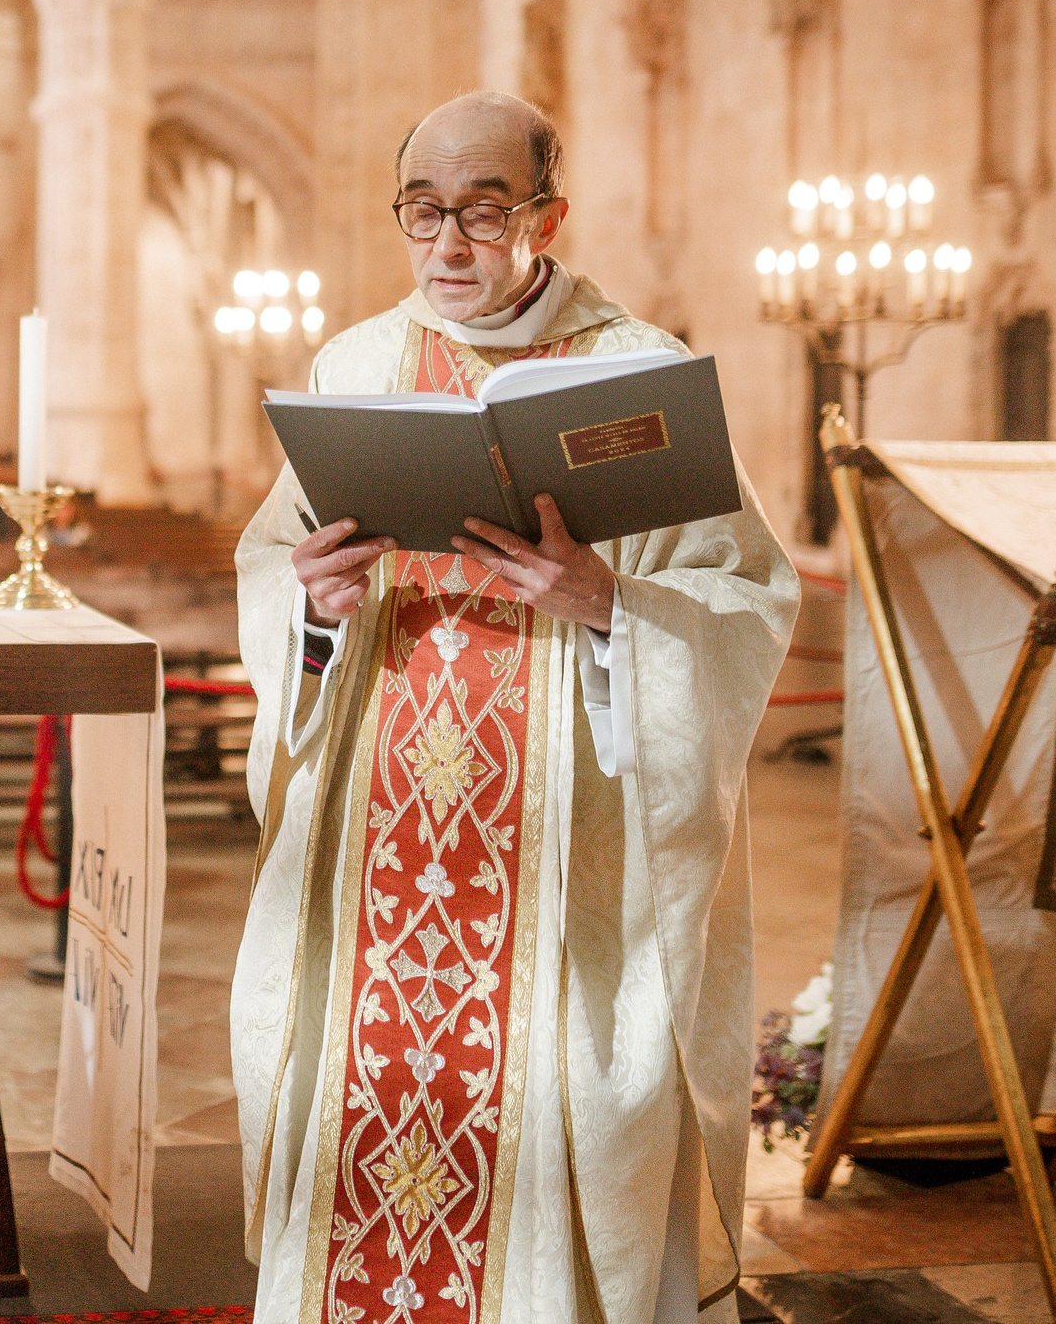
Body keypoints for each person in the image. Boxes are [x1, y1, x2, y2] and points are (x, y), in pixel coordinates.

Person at [230, 92, 798, 1323]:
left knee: (557, 1105)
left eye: (482, 213)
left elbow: (748, 597)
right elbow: (274, 563)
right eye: (422, 212)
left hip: (565, 845)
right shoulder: (359, 365)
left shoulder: (636, 369)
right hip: (377, 846)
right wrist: (312, 604)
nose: (448, 245)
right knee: (374, 1091)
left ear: (546, 214)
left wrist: (606, 601)